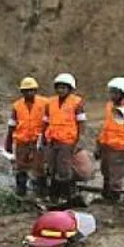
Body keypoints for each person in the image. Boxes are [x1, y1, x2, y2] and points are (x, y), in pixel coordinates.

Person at [42, 73, 87, 206]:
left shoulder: (77, 103)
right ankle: (54, 195)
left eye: (64, 88)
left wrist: (79, 140)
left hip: (67, 141)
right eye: (59, 87)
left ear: (70, 89)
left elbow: (81, 123)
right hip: (52, 140)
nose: (61, 90)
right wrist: (43, 137)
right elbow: (46, 121)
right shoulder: (50, 102)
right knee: (52, 168)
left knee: (64, 169)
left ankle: (67, 195)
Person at [4, 77, 48, 197]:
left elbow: (50, 121)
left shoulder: (45, 103)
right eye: (26, 91)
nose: (29, 93)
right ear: (22, 92)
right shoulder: (17, 106)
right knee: (20, 166)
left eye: (31, 90)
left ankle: (42, 193)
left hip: (38, 140)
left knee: (39, 167)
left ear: (35, 90)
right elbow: (12, 124)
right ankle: (21, 191)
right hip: (22, 140)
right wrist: (8, 141)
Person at [96, 77, 124, 203]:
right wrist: (99, 144)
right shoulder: (110, 105)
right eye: (111, 92)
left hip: (120, 147)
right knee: (105, 172)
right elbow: (106, 126)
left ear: (123, 93)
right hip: (106, 144)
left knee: (116, 175)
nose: (112, 95)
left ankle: (114, 198)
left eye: (115, 92)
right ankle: (106, 195)